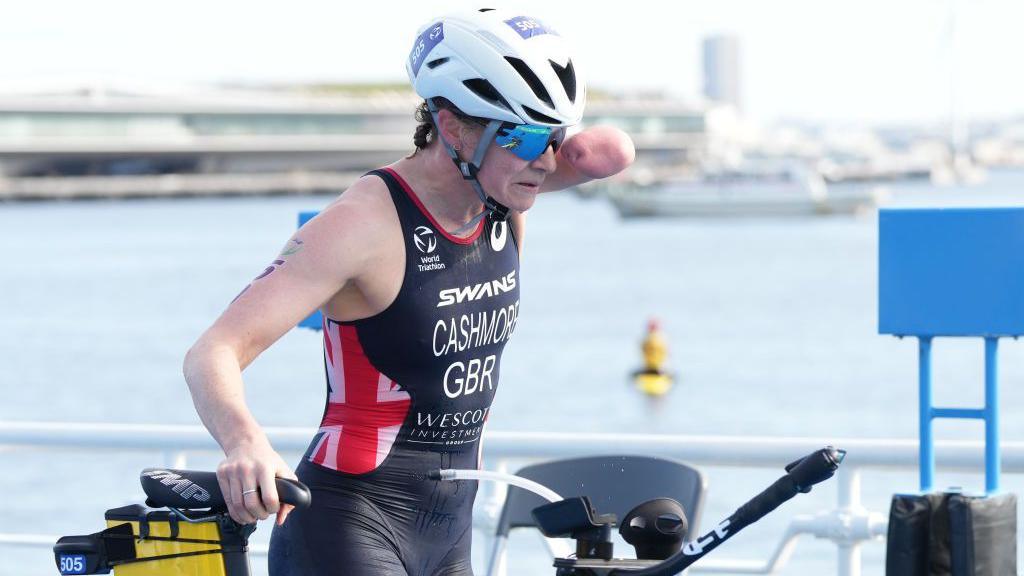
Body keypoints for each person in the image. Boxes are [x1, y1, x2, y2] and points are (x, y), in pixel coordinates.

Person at [182, 8, 634, 576]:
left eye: (554, 137)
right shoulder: (361, 225)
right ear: (452, 127)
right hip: (347, 524)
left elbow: (613, 152)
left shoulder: (505, 190)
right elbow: (212, 352)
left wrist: (542, 133)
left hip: (449, 532)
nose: (545, 160)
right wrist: (246, 443)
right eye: (522, 135)